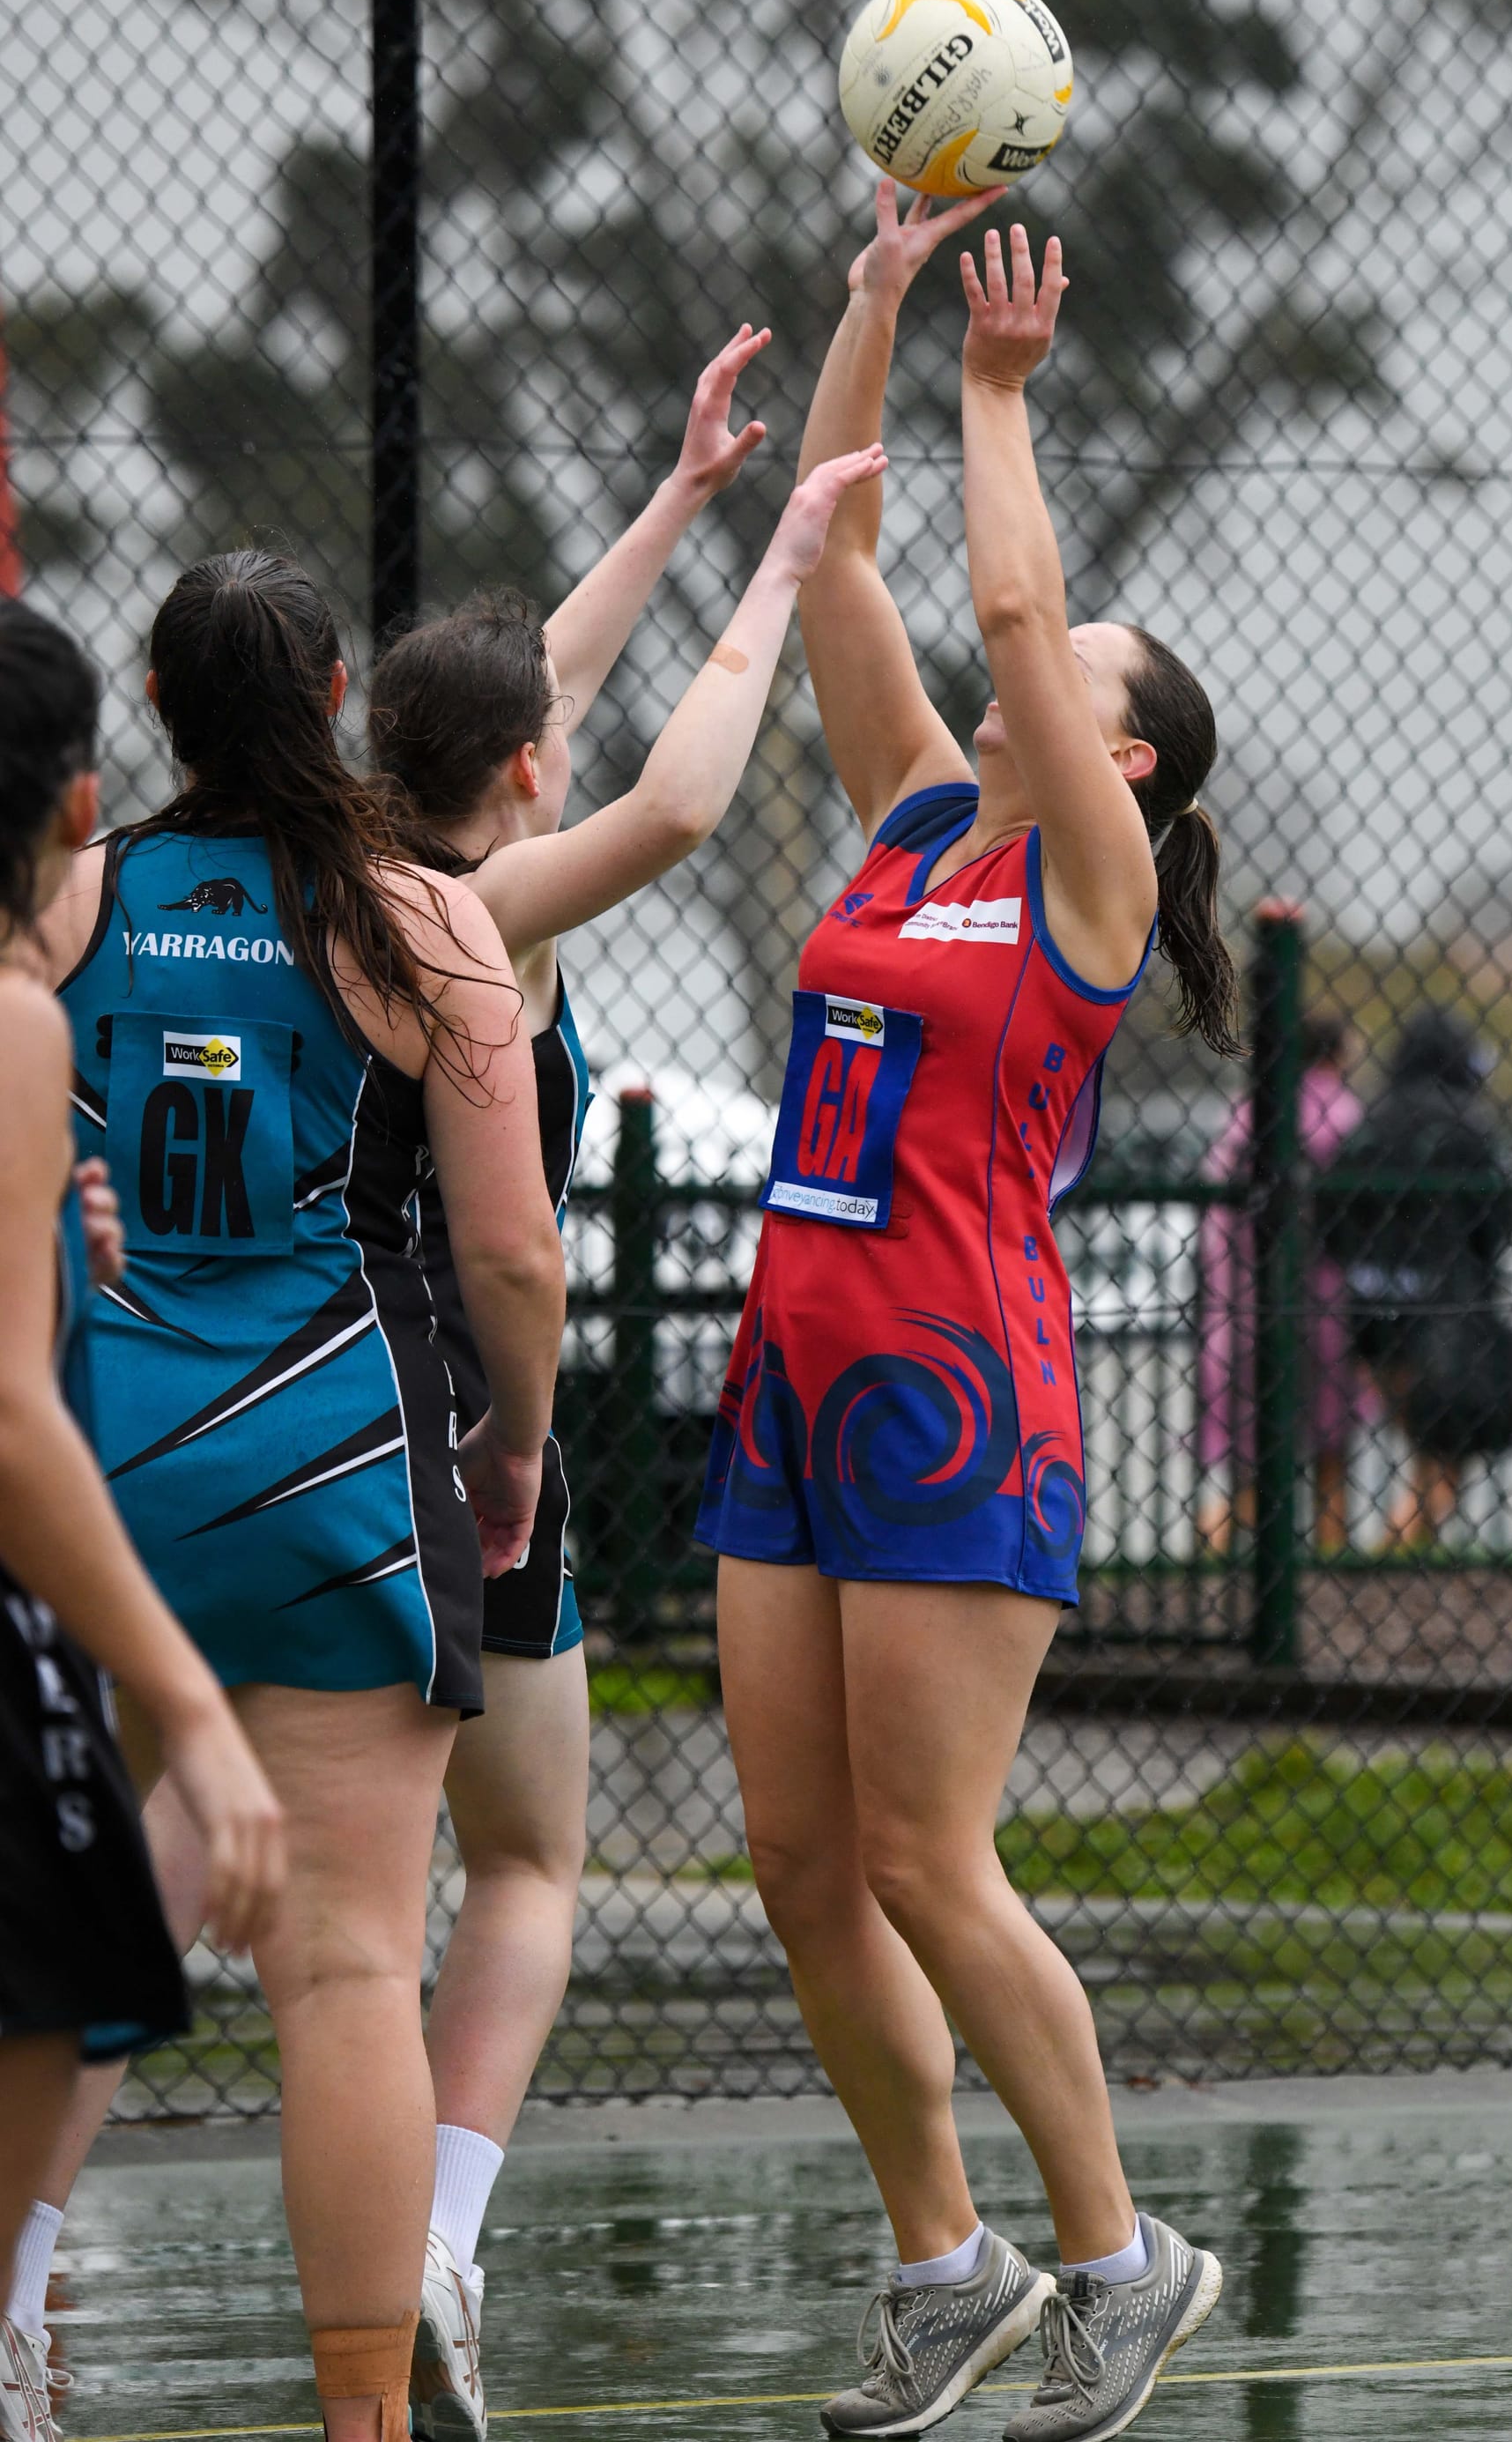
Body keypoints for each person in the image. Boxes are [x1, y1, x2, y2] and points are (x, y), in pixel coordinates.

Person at [700, 183, 1230, 2442]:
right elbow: (840, 560)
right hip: (788, 1376)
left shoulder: (1081, 888)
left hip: (955, 1388)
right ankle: (949, 2265)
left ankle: (1119, 2255)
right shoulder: (920, 818)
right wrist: (876, 312)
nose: (1032, 659)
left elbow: (1006, 593)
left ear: (1117, 759)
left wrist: (997, 396)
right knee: (805, 1865)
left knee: (929, 1854)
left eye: (1070, 672)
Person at [362, 329, 887, 2439]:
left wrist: (671, 502)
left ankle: (32, 2283)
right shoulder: (482, 907)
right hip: (444, 1430)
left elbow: (525, 701)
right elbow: (673, 795)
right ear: (514, 780)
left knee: (215, 1868)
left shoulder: (310, 863)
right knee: (519, 1866)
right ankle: (431, 2241)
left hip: (229, 1425)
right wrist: (771, 557)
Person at [33, 554, 566, 2442]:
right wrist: (512, 1448)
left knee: (73, 1918)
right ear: (339, 690)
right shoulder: (420, 918)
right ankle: (360, 2423)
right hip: (340, 1463)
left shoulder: (80, 900)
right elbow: (507, 1259)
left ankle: (13, 2305)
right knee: (346, 1964)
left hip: (106, 1477)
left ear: (157, 708)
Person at [0, 597, 285, 2442]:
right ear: (77, 808)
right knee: (57, 1972)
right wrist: (186, 1701)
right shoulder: (19, 1022)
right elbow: (7, 1419)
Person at [1316, 1006, 1512, 1550]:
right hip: (1445, 1307)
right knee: (1443, 1453)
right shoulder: (1470, 1125)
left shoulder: (1372, 1119)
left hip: (1372, 1310)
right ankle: (1396, 1554)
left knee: (1415, 1432)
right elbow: (1496, 1223)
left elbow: (1330, 1222)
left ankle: (1387, 1556)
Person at [1195, 1011, 1367, 1556]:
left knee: (1257, 1451)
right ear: (1334, 1053)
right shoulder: (1343, 1113)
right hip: (1326, 1304)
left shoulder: (1249, 1114)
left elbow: (1218, 1214)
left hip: (1245, 1302)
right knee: (1330, 1445)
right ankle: (1331, 1550)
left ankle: (1216, 1538)